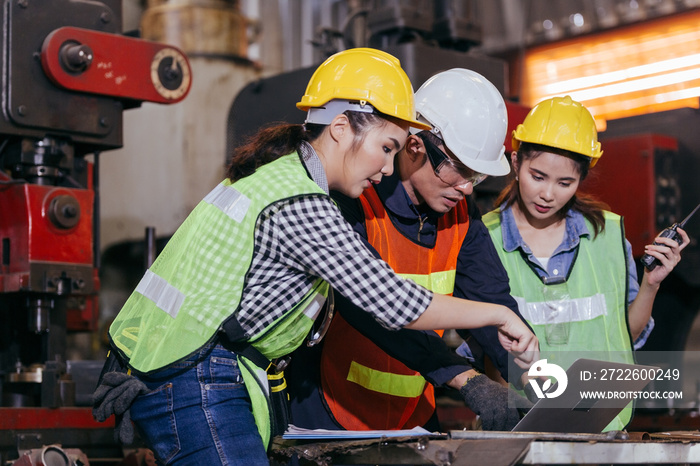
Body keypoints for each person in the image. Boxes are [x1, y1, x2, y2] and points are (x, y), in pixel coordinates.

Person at [92, 48, 538, 465]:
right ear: (342, 128)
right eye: (385, 148)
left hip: (188, 367)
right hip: (201, 374)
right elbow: (394, 303)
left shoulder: (277, 178)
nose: (386, 168)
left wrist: (139, 361)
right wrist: (496, 318)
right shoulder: (303, 202)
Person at [287, 68, 537, 434]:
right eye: (460, 171)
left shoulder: (461, 214)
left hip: (413, 415)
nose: (467, 189)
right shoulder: (355, 196)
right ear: (417, 145)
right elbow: (374, 309)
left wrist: (539, 382)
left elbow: (491, 300)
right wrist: (466, 378)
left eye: (477, 177)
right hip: (331, 409)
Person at [479, 95, 690, 431]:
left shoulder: (606, 235)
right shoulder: (483, 239)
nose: (549, 194)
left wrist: (651, 283)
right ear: (516, 162)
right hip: (520, 429)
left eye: (565, 183)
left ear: (581, 179)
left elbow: (625, 336)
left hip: (600, 428)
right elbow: (484, 352)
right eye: (538, 176)